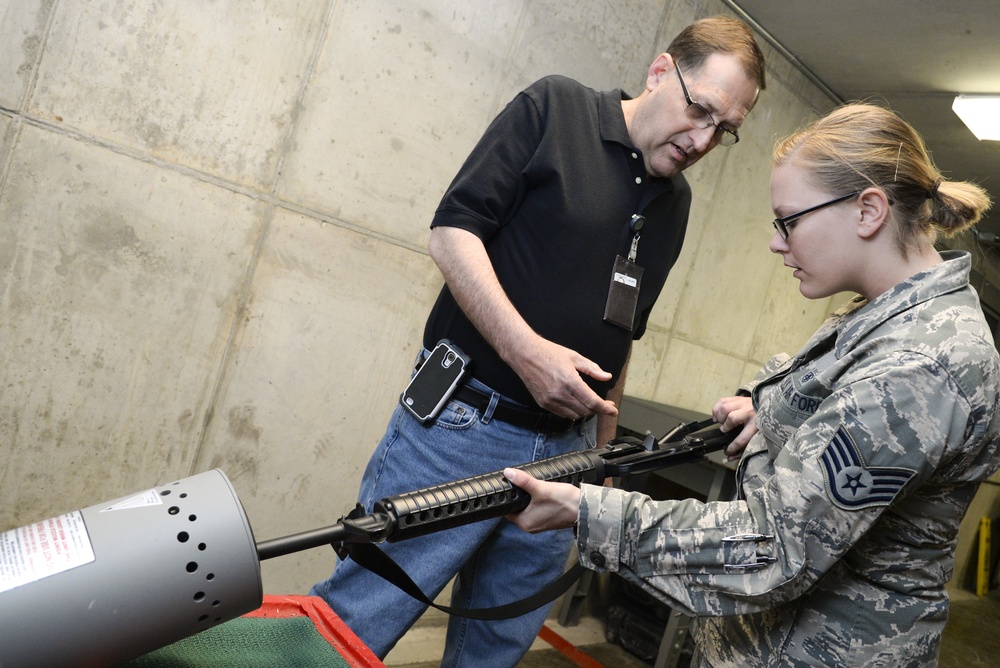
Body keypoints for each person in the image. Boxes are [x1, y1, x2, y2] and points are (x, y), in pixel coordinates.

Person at [310, 15, 766, 667]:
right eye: (701, 111)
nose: (703, 139)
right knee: (360, 619)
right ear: (661, 72)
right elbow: (452, 234)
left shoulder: (676, 203)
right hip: (461, 424)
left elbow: (624, 328)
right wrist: (526, 351)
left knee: (498, 643)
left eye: (726, 131)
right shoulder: (555, 108)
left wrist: (602, 452)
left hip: (567, 452)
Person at [505, 102, 1000, 666]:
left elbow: (774, 548)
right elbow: (832, 405)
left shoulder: (923, 363)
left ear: (867, 210)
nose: (777, 242)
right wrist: (768, 412)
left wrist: (587, 512)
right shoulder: (878, 316)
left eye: (789, 221)